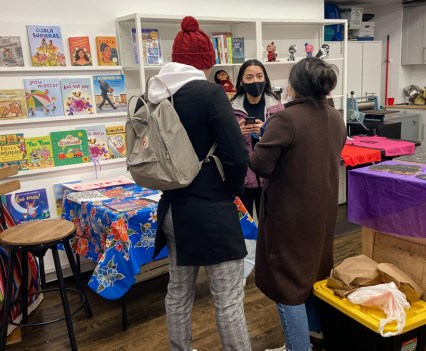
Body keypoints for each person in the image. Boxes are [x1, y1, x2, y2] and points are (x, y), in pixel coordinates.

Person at [147, 16, 252, 351]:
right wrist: (232, 190)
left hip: (173, 208)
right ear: (205, 61)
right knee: (229, 300)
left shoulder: (155, 94)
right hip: (210, 211)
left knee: (178, 294)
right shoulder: (209, 93)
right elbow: (236, 157)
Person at [250, 57, 346, 351]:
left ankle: (297, 346)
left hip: (291, 216)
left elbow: (260, 165)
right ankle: (314, 334)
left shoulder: (286, 119)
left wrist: (253, 143)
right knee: (314, 274)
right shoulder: (335, 116)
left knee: (288, 285)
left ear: (296, 85)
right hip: (322, 211)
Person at [230, 59, 283, 219]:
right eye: (249, 77)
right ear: (241, 81)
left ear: (265, 78)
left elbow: (284, 141)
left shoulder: (277, 107)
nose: (255, 81)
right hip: (242, 178)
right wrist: (236, 133)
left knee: (269, 227)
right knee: (244, 228)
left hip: (269, 178)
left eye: (259, 76)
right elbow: (223, 143)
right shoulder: (231, 108)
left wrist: (265, 131)